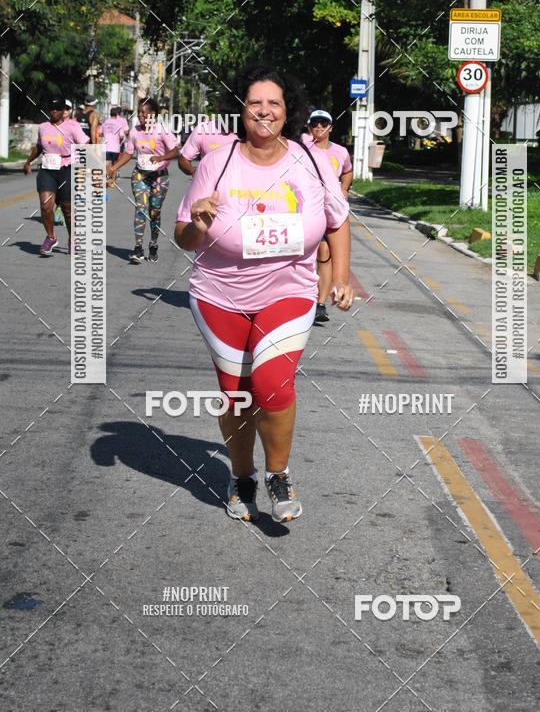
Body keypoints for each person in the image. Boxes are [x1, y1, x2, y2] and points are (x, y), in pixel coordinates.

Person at [175, 65, 353, 524]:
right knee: (237, 395)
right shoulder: (218, 162)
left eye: (273, 103)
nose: (264, 111)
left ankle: (278, 474)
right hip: (219, 295)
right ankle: (241, 476)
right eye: (255, 103)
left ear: (286, 109)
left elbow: (338, 219)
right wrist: (196, 223)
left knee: (272, 383)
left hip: (289, 291)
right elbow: (181, 237)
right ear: (241, 109)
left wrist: (341, 277)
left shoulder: (309, 160)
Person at [108, 98, 179, 263]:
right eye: (139, 112)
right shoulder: (135, 131)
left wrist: (161, 157)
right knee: (140, 209)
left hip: (160, 176)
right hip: (140, 174)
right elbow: (128, 153)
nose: (140, 115)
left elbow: (176, 152)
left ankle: (153, 243)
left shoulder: (162, 130)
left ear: (152, 114)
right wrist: (114, 167)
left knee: (154, 211)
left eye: (143, 112)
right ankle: (138, 248)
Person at [303, 109, 353, 323]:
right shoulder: (302, 149)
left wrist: (344, 188)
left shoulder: (340, 152)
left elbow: (348, 171)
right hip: (306, 210)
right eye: (315, 123)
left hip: (331, 212)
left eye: (324, 123)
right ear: (308, 126)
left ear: (331, 127)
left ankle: (320, 303)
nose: (319, 127)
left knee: (325, 251)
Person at [22, 97, 89, 255]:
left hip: (67, 169)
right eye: (52, 109)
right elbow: (39, 147)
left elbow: (85, 147)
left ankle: (73, 240)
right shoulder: (43, 127)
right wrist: (28, 162)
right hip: (47, 170)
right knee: (45, 206)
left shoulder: (73, 126)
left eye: (58, 109)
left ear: (64, 111)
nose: (55, 112)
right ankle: (51, 237)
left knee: (67, 209)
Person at [100, 106, 129, 187]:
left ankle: (106, 179)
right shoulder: (119, 123)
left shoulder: (105, 122)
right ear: (117, 114)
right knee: (115, 164)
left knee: (106, 163)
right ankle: (113, 181)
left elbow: (100, 133)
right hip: (116, 147)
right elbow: (122, 136)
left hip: (106, 146)